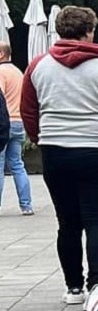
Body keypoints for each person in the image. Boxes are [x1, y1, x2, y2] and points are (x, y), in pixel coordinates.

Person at [21, 6, 98, 303]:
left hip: (56, 149)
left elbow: (29, 110)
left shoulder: (38, 66)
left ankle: (73, 287)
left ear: (60, 31)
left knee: (67, 223)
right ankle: (97, 285)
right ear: (89, 31)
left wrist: (41, 139)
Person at [0, 44, 33, 215]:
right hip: (19, 122)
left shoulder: (0, 72)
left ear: (1, 54)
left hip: (3, 123)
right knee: (17, 164)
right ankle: (26, 205)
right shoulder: (18, 72)